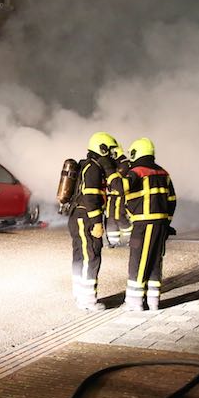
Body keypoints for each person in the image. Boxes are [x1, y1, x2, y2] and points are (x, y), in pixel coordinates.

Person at [122, 137, 176, 312]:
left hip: (143, 224)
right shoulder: (163, 173)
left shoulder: (136, 172)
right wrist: (167, 222)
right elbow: (172, 200)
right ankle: (154, 301)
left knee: (138, 261)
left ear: (135, 152)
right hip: (161, 224)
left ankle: (135, 302)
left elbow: (121, 189)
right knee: (155, 261)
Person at [69, 132, 118, 311]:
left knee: (80, 257)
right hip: (86, 218)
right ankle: (88, 300)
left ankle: (79, 294)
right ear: (102, 149)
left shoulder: (88, 165)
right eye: (110, 150)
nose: (112, 154)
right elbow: (90, 197)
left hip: (79, 217)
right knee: (91, 256)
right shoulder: (94, 168)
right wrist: (97, 222)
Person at [104, 145, 132, 248]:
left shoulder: (124, 163)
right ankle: (113, 242)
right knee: (111, 218)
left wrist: (109, 170)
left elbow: (119, 179)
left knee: (120, 217)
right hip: (112, 197)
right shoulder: (115, 163)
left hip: (121, 196)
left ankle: (130, 239)